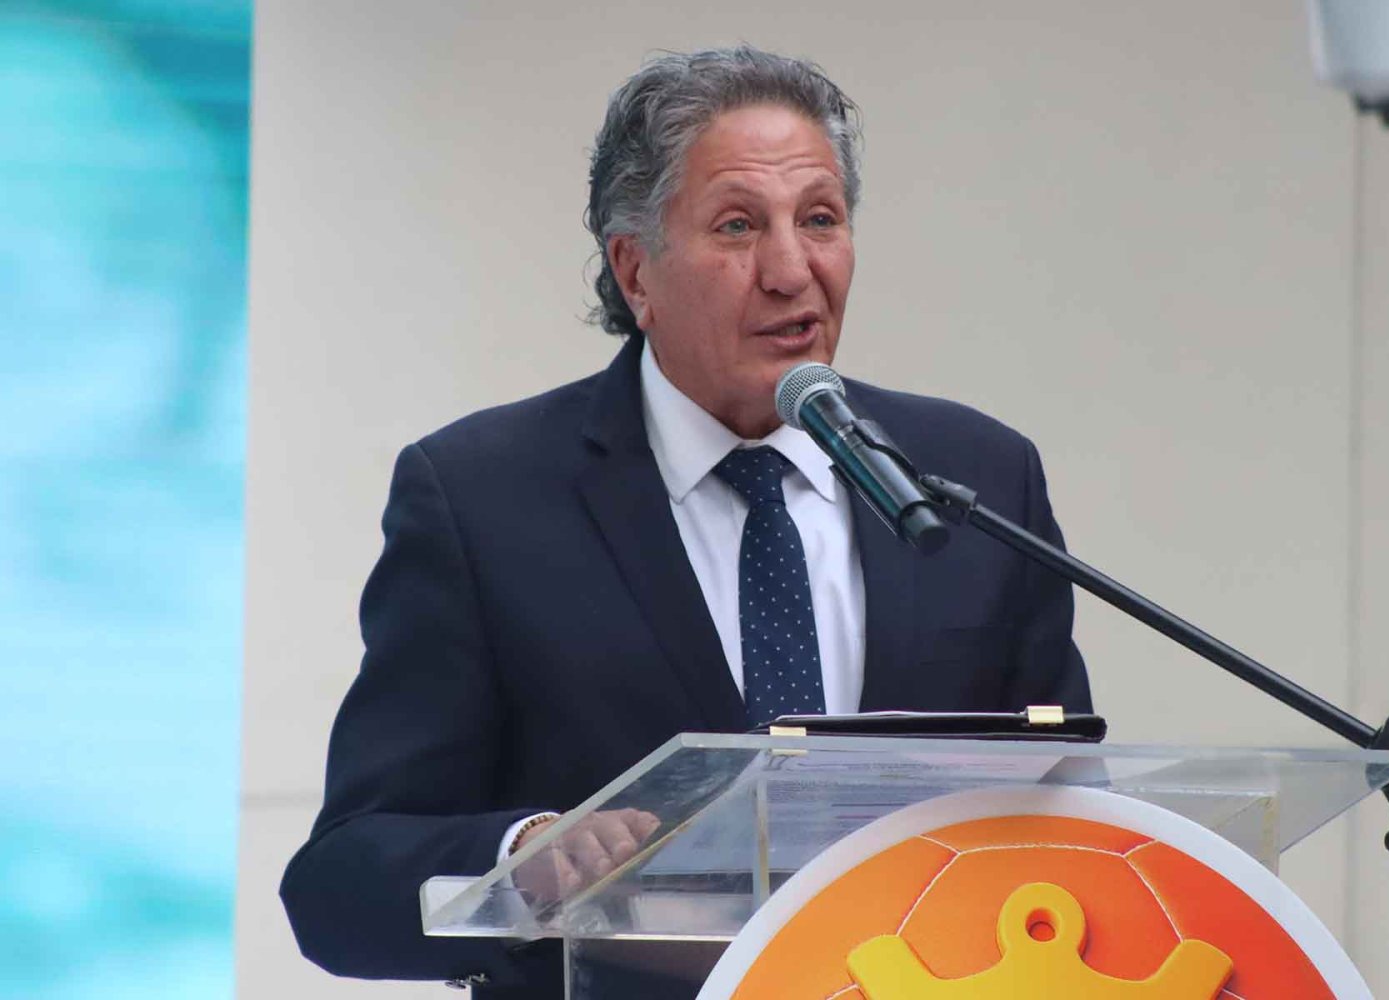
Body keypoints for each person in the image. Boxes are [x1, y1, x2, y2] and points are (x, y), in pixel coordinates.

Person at [280, 46, 1091, 997]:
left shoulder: (974, 477)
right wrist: (525, 861)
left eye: (820, 219)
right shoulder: (482, 499)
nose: (792, 270)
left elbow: (1074, 821)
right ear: (635, 272)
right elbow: (339, 884)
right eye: (739, 226)